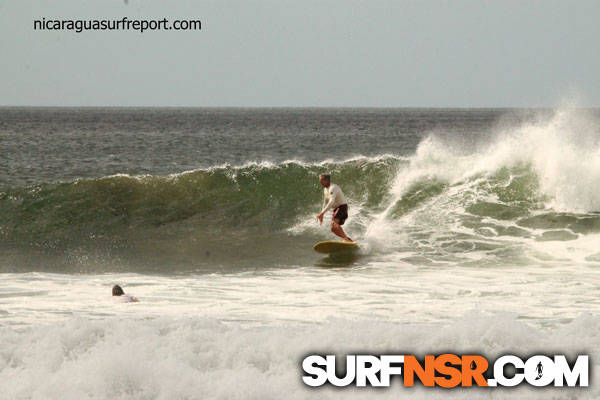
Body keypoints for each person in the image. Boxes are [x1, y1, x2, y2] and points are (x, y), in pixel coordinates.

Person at [316, 173, 352, 242]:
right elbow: (326, 202)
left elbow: (331, 201)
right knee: (333, 229)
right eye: (320, 181)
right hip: (337, 209)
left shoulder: (333, 188)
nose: (320, 182)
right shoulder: (325, 189)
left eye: (322, 180)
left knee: (334, 224)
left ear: (327, 180)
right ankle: (347, 239)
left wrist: (322, 213)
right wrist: (321, 214)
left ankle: (346, 239)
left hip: (342, 207)